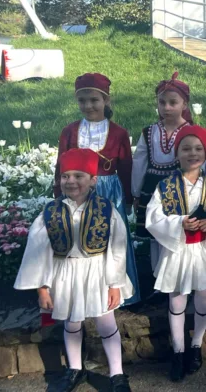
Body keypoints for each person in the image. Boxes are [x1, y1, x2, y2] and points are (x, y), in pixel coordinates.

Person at [15, 148, 134, 392]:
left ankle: (117, 374)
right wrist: (42, 288)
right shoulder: (50, 212)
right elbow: (38, 252)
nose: (71, 181)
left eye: (78, 176)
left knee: (106, 323)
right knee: (71, 322)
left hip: (98, 273)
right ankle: (75, 369)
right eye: (65, 176)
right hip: (64, 274)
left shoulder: (107, 209)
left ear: (93, 180)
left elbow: (118, 249)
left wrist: (114, 284)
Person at [145, 125, 206, 381]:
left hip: (205, 251)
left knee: (204, 298)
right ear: (177, 154)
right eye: (186, 148)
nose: (192, 153)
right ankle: (178, 350)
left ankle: (196, 344)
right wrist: (178, 222)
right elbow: (153, 217)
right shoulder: (165, 186)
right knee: (177, 299)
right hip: (178, 250)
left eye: (198, 149)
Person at [54, 73, 140, 306]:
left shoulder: (119, 133)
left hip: (109, 190)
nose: (88, 105)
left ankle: (116, 291)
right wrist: (58, 194)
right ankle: (83, 288)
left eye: (94, 100)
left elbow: (125, 166)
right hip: (77, 192)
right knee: (81, 236)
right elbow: (61, 164)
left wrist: (129, 197)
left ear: (106, 101)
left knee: (111, 236)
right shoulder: (69, 132)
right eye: (82, 100)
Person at [132, 73, 193, 289]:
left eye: (173, 102)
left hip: (180, 191)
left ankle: (178, 275)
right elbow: (140, 161)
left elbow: (199, 163)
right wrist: (137, 192)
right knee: (157, 233)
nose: (167, 107)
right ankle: (158, 279)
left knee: (177, 233)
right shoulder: (149, 132)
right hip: (152, 190)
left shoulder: (191, 132)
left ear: (184, 103)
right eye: (162, 102)